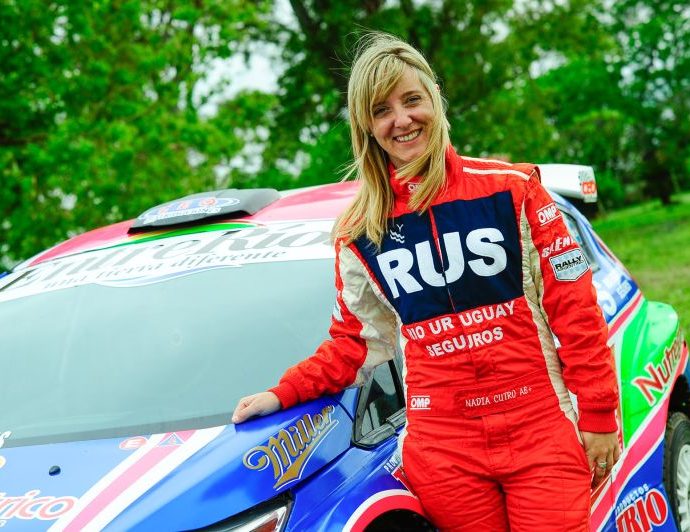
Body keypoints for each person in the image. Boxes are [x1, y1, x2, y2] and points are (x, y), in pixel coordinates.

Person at [232, 32, 620, 531]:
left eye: (411, 99)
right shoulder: (359, 232)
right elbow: (355, 343)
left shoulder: (514, 189)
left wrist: (599, 414)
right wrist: (283, 392)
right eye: (382, 110)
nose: (402, 119)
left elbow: (576, 311)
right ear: (367, 127)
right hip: (443, 450)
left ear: (435, 97)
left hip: (539, 427)